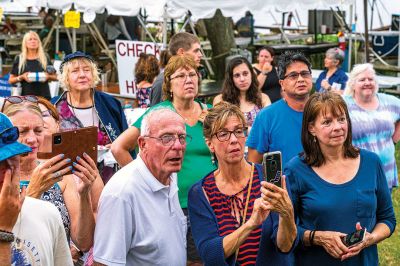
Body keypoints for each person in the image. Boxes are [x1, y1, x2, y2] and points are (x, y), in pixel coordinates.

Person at [111, 54, 215, 263]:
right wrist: (144, 182)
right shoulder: (159, 113)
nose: (189, 80)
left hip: (209, 202)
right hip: (172, 202)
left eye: (193, 74)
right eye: (182, 75)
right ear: (168, 83)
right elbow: (118, 147)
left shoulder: (210, 113)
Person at [285, 92, 396, 265]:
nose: (337, 127)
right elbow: (284, 232)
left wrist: (371, 238)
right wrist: (317, 237)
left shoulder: (371, 162)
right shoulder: (296, 170)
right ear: (311, 128)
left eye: (341, 119)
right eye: (327, 122)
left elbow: (388, 218)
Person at [188, 102, 297, 265]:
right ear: (210, 143)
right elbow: (210, 255)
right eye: (223, 134)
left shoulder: (269, 179)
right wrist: (251, 224)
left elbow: (285, 246)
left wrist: (287, 213)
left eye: (239, 131)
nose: (233, 140)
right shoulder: (201, 193)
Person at [2, 99, 98, 254]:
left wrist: (84, 193)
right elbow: (7, 234)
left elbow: (84, 242)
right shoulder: (3, 178)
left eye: (38, 130)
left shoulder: (58, 173)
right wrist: (34, 190)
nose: (32, 139)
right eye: (22, 131)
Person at [94, 108, 188, 265]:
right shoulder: (121, 194)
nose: (178, 146)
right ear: (143, 144)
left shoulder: (169, 174)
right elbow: (105, 262)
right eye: (166, 138)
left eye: (182, 137)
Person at [0, 112, 73, 265]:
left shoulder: (48, 213)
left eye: (13, 159)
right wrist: (4, 232)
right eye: (1, 163)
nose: (9, 172)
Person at [53, 51, 128, 184]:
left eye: (87, 70)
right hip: (68, 180)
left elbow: (126, 140)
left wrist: (117, 145)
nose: (82, 75)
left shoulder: (110, 104)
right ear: (66, 78)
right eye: (75, 71)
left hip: (108, 178)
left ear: (93, 75)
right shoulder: (54, 106)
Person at [246, 51, 313, 167]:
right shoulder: (267, 117)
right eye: (293, 76)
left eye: (305, 73)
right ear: (282, 84)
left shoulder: (323, 111)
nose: (301, 79)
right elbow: (253, 165)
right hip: (282, 184)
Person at [344, 63, 400, 192]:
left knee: (384, 211)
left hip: (385, 172)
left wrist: (393, 140)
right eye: (362, 79)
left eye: (371, 79)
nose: (367, 82)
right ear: (353, 83)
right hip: (356, 173)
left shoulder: (389, 101)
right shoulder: (343, 104)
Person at [214, 57, 270, 130]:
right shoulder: (220, 100)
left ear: (251, 75)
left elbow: (270, 125)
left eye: (245, 74)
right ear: (231, 79)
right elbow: (218, 127)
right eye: (237, 75)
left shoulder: (263, 98)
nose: (242, 79)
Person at [149, 32, 203, 106]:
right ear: (181, 52)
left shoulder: (196, 74)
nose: (200, 55)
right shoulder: (162, 81)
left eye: (192, 75)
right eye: (196, 51)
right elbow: (156, 113)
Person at [8, 31, 58, 100]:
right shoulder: (20, 59)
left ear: (39, 42)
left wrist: (48, 76)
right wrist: (22, 77)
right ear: (25, 43)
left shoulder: (45, 57)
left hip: (44, 98)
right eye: (30, 39)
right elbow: (10, 80)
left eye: (35, 39)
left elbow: (56, 77)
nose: (33, 41)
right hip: (25, 99)